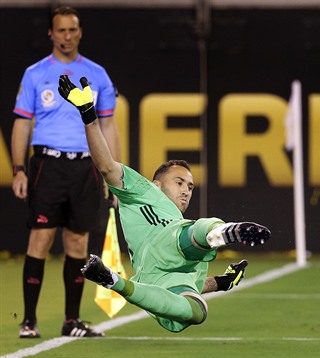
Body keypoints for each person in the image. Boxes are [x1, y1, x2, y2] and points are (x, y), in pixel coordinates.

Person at [57, 75, 271, 333]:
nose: (186, 190)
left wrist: (223, 282)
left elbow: (191, 280)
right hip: (163, 244)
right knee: (194, 231)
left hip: (153, 282)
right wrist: (89, 117)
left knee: (195, 312)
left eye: (190, 187)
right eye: (179, 182)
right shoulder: (145, 190)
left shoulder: (182, 230)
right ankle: (227, 231)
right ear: (157, 183)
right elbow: (105, 165)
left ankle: (112, 280)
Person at [11, 6, 120, 338]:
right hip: (48, 164)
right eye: (61, 31)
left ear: (80, 32)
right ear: (51, 33)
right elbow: (21, 123)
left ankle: (71, 321)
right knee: (40, 239)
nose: (67, 36)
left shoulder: (98, 74)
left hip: (86, 166)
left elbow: (108, 123)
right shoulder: (35, 74)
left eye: (72, 30)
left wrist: (113, 173)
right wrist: (18, 169)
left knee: (77, 243)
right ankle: (29, 320)